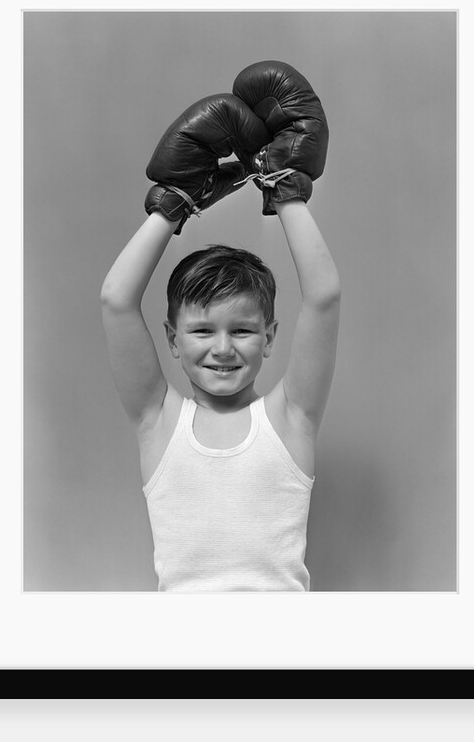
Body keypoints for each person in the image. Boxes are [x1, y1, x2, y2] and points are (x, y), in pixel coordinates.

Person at [101, 61, 340, 592]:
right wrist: (173, 204)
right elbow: (117, 300)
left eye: (244, 331)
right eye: (202, 331)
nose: (223, 348)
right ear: (172, 341)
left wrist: (285, 189)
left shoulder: (290, 417)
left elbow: (323, 296)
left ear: (271, 338)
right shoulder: (157, 423)